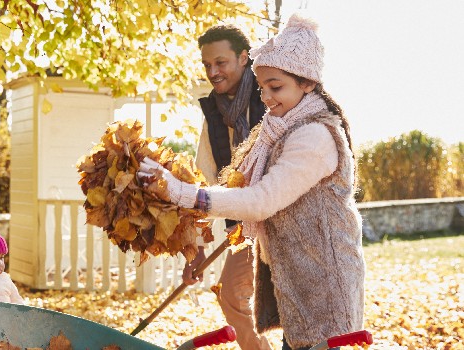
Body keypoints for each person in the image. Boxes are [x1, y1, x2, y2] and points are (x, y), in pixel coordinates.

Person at [139, 13, 365, 350]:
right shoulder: (277, 128)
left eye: (276, 88)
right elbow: (221, 182)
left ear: (308, 83)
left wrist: (183, 193)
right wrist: (193, 247)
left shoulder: (314, 136)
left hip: (325, 286)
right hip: (295, 281)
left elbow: (262, 200)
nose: (268, 99)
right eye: (263, 89)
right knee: (238, 300)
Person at [186, 24, 271, 350]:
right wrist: (197, 244)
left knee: (297, 306)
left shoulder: (271, 95)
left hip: (283, 218)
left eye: (220, 62)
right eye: (207, 64)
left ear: (243, 57)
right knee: (232, 295)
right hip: (244, 230)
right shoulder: (213, 115)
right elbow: (203, 180)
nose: (212, 71)